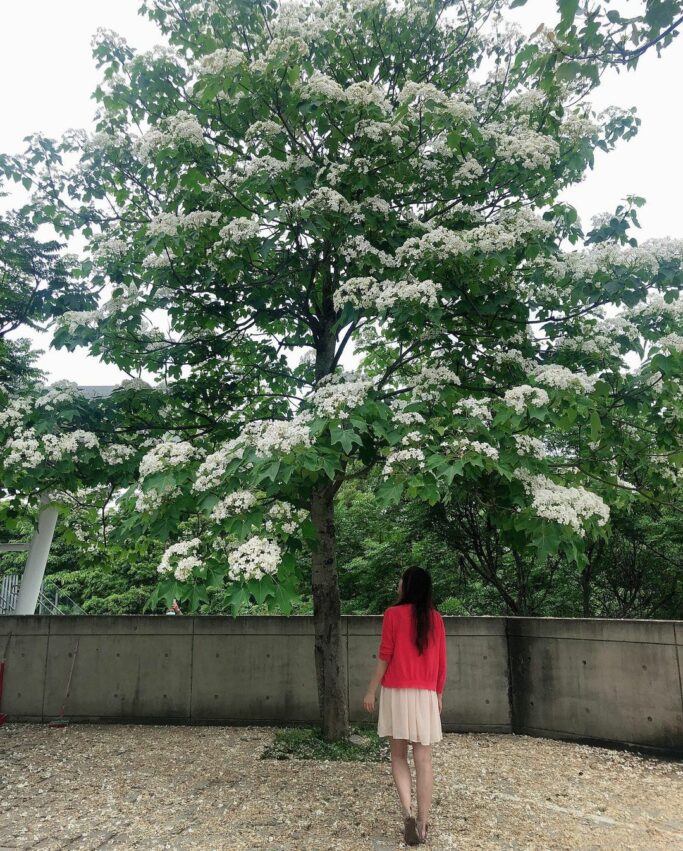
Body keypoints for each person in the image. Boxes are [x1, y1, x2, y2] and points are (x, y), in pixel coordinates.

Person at [363, 567, 447, 846]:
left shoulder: (393, 614)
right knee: (424, 759)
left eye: (401, 580)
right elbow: (442, 662)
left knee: (398, 756)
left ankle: (408, 813)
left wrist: (371, 690)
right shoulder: (436, 619)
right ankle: (423, 824)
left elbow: (384, 655)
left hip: (396, 692)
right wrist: (438, 694)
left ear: (408, 586)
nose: (397, 584)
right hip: (425, 694)